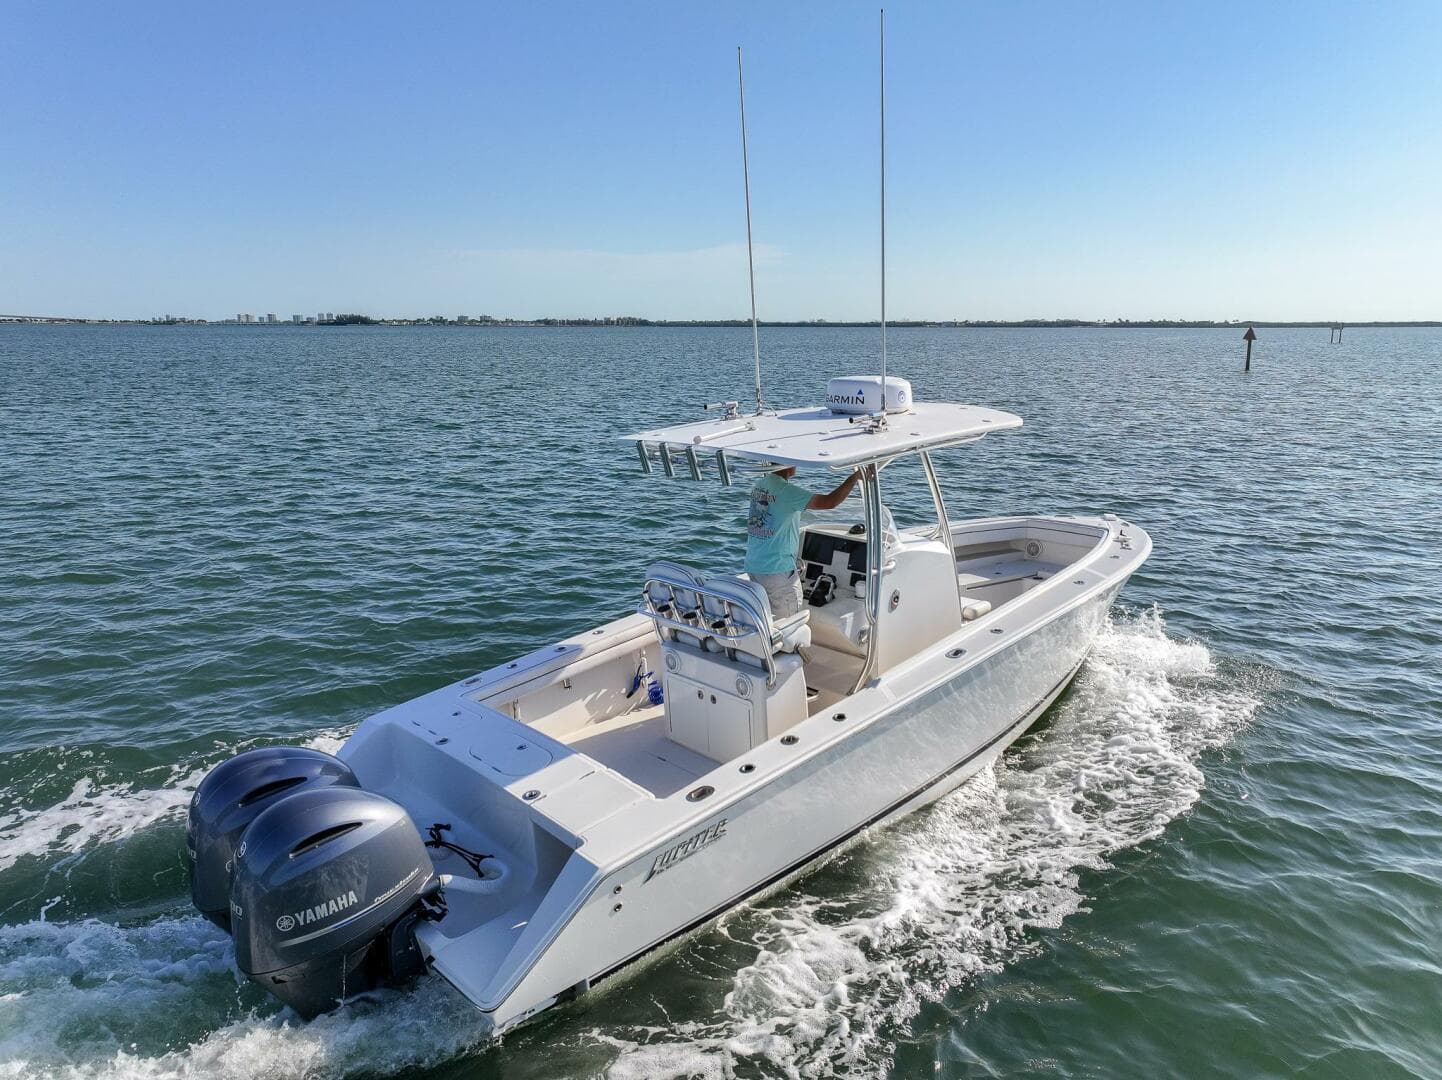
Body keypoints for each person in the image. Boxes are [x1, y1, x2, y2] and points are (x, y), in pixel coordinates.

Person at [745, 466, 862, 618]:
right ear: (789, 463)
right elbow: (830, 502)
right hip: (777, 572)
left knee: (767, 621)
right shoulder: (786, 491)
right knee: (788, 626)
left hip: (755, 567)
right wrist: (853, 478)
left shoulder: (760, 485)